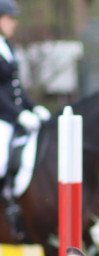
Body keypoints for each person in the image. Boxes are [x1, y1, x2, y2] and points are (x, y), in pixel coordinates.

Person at [0, 0, 50, 184]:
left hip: (13, 115)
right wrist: (18, 115)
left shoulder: (8, 46)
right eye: (10, 18)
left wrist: (33, 108)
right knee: (1, 161)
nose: (14, 23)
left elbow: (15, 86)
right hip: (2, 117)